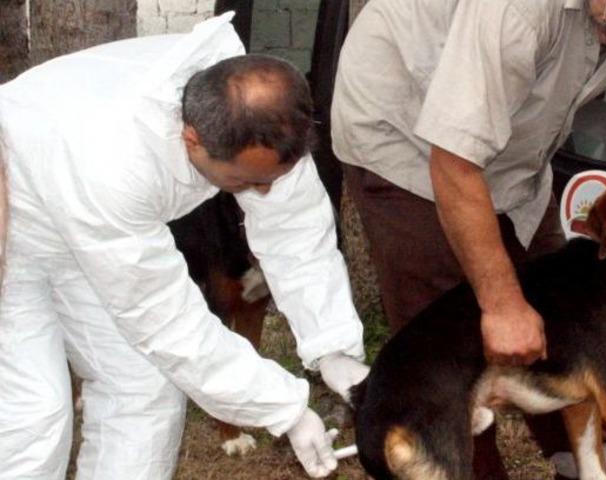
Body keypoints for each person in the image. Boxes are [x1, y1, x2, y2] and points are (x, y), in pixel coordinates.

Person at [331, 0, 606, 478]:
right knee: (458, 326)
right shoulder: (517, 8)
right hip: (405, 137)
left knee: (566, 305)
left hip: (517, 154)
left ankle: (581, 465)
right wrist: (500, 303)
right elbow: (455, 161)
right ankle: (461, 464)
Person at [0, 13, 368, 480]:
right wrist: (285, 408)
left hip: (92, 222)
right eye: (245, 182)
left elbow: (297, 232)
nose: (262, 193)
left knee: (144, 387)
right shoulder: (116, 159)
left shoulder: (263, 115)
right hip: (14, 206)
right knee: (30, 412)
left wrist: (334, 348)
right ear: (190, 139)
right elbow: (166, 321)